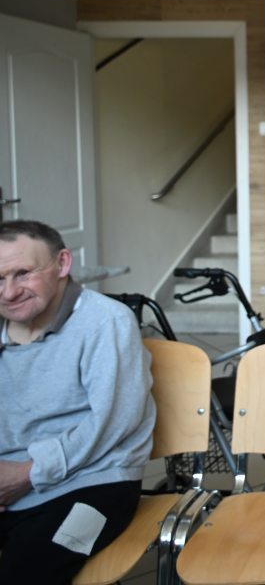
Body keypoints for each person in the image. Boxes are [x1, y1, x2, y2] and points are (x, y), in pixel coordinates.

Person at [0, 220, 155, 585]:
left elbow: (113, 423)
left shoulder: (105, 322)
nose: (9, 292)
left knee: (23, 575)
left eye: (23, 273)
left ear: (62, 264)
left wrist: (27, 474)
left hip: (93, 484)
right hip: (8, 482)